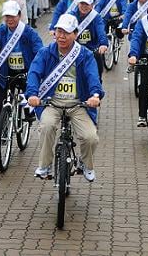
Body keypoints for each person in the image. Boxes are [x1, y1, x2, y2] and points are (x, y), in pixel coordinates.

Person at [26, 14, 104, 182]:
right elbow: (34, 73)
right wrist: (32, 94)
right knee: (46, 127)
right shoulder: (45, 53)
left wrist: (95, 95)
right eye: (58, 32)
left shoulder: (85, 55)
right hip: (51, 103)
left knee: (90, 137)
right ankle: (45, 166)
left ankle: (84, 163)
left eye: (66, 32)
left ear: (75, 34)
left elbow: (93, 77)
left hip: (78, 104)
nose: (61, 36)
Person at [0, 0, 44, 118]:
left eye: (13, 16)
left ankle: (27, 121)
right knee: (0, 106)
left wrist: (40, 70)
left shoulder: (29, 32)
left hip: (26, 72)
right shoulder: (0, 32)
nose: (10, 19)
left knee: (28, 107)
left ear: (19, 15)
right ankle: (3, 130)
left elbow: (39, 51)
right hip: (6, 72)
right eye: (7, 16)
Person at [71, 0, 108, 82]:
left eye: (86, 4)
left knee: (97, 72)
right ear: (78, 4)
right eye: (82, 4)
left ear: (92, 6)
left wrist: (103, 43)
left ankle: (97, 88)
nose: (84, 7)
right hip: (75, 48)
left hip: (92, 49)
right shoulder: (72, 15)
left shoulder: (96, 17)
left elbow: (101, 31)